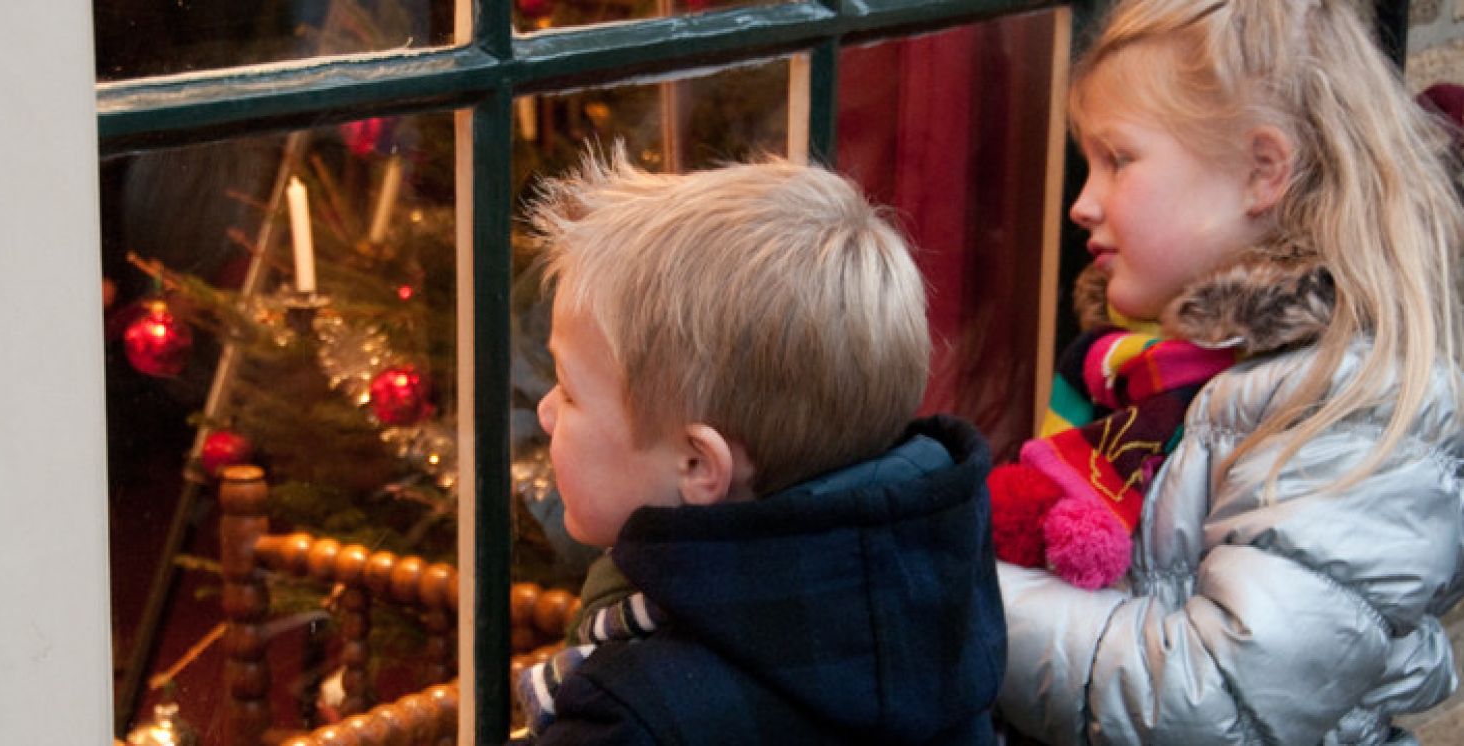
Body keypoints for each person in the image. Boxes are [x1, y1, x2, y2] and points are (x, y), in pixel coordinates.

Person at [994, 1, 1464, 744]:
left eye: (1117, 159)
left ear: (1261, 172)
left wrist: (961, 592)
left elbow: (1208, 699)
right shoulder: (1155, 369)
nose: (1083, 203)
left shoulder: (1346, 405)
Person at [513, 149, 1006, 745]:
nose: (544, 412)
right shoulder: (934, 608)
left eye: (568, 392)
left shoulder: (637, 715)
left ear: (697, 465)